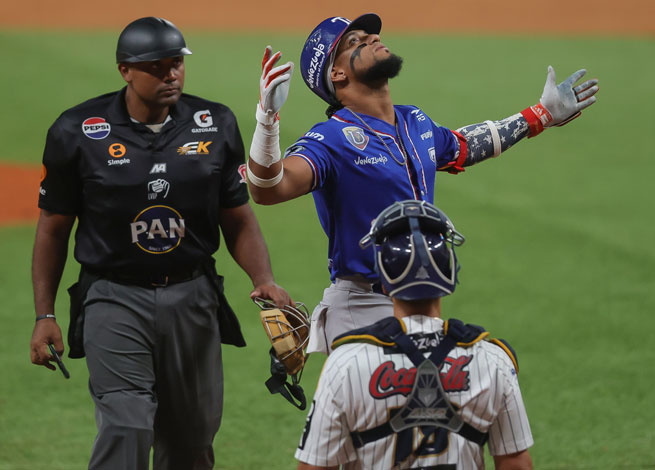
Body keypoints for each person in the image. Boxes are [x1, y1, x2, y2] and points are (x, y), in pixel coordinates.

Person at [247, 13, 599, 354]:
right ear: (336, 73)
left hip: (419, 297)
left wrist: (541, 115)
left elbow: (464, 146)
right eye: (355, 41)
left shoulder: (413, 120)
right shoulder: (331, 138)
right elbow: (268, 189)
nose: (373, 39)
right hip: (364, 306)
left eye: (371, 35)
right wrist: (267, 118)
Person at [29, 17, 291, 470]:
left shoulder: (215, 123)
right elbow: (53, 228)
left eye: (176, 64)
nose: (171, 75)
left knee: (191, 440)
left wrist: (263, 278)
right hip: (113, 297)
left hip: (193, 296)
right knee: (127, 425)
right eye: (157, 67)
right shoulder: (77, 131)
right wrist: (45, 314)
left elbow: (238, 216)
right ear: (125, 70)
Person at [295, 200, 533, 470]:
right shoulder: (493, 361)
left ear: (384, 282)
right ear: (450, 275)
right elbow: (516, 464)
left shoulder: (346, 364)